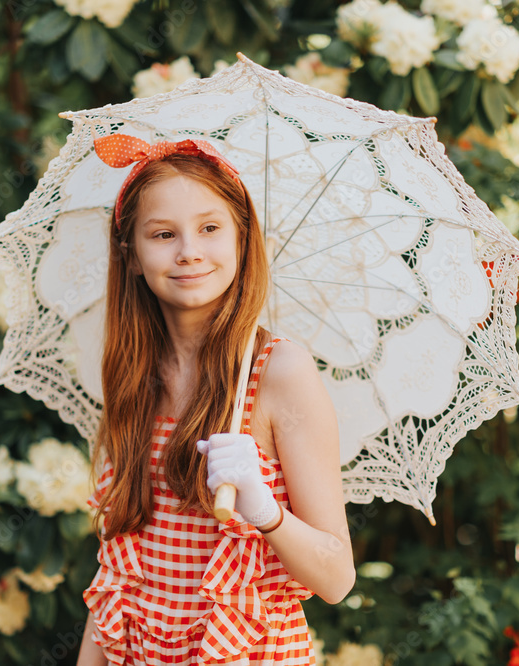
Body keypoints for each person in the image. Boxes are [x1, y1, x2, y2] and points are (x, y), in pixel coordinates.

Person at [75, 135, 355, 666]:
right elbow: (116, 573)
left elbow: (337, 577)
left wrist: (264, 508)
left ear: (242, 241)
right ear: (131, 255)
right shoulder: (134, 375)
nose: (189, 251)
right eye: (163, 234)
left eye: (210, 228)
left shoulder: (279, 374)